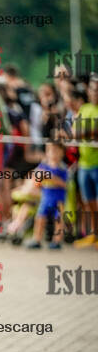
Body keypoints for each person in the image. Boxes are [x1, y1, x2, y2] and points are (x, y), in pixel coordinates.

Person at [26, 141, 68, 249]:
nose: (52, 153)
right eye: (49, 150)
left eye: (55, 150)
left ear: (62, 152)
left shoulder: (62, 167)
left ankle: (57, 241)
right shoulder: (43, 166)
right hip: (46, 198)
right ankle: (37, 239)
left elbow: (64, 183)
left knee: (58, 219)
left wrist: (51, 178)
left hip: (58, 199)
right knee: (40, 218)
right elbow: (36, 178)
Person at [72, 75, 98, 247]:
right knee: (89, 202)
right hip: (84, 164)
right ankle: (94, 235)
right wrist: (90, 133)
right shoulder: (85, 108)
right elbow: (75, 132)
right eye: (93, 89)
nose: (95, 93)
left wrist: (86, 133)